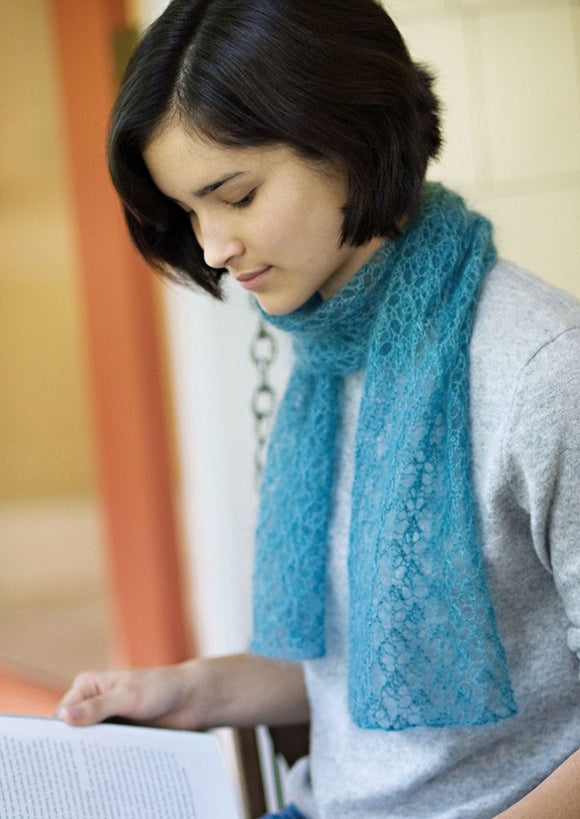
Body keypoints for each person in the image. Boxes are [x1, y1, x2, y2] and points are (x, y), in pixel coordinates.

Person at [57, 1, 580, 817]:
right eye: (190, 211)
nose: (213, 248)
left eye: (236, 195)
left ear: (350, 138)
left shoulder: (541, 371)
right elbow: (358, 676)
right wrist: (186, 690)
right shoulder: (327, 354)